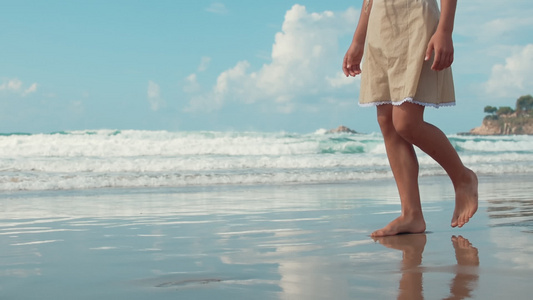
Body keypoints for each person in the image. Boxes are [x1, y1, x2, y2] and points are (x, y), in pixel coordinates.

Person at [342, 0, 478, 237]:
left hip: (415, 18)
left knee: (406, 122)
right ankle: (411, 214)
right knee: (387, 123)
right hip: (380, 26)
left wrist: (444, 30)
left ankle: (463, 177)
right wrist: (358, 40)